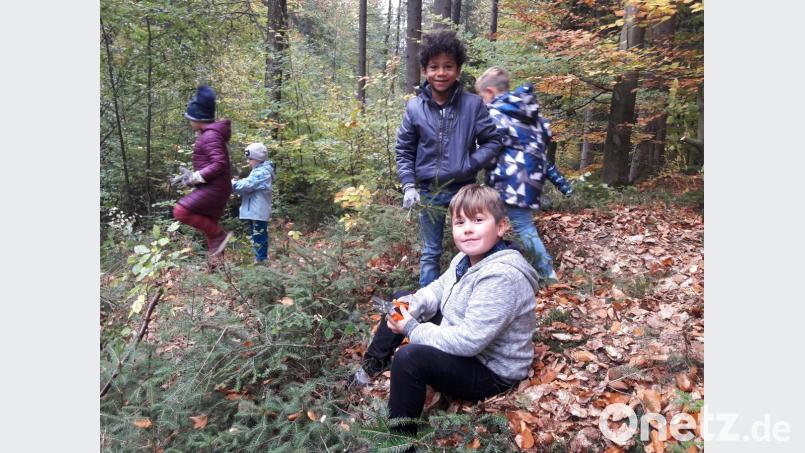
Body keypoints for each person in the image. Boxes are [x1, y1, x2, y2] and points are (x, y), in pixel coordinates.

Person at [349, 184, 538, 437]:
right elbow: (438, 289)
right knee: (400, 301)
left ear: (501, 227)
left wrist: (412, 328)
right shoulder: (464, 259)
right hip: (464, 340)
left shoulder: (502, 277)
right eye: (460, 222)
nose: (468, 229)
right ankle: (371, 367)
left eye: (478, 220)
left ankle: (399, 440)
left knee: (409, 359)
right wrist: (412, 305)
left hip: (490, 370)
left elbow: (469, 342)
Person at [395, 30, 502, 288]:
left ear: (457, 69)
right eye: (434, 67)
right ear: (424, 71)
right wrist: (409, 185)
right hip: (428, 192)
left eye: (448, 66)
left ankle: (467, 299)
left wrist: (469, 164)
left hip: (463, 191)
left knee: (470, 250)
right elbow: (404, 149)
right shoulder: (414, 108)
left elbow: (493, 141)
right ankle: (428, 306)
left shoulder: (473, 105)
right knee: (430, 251)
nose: (440, 73)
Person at [475, 67, 573, 282]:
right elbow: (541, 156)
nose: (481, 102)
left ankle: (547, 274)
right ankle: (498, 260)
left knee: (520, 225)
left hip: (509, 182)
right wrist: (563, 185)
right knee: (498, 220)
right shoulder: (530, 116)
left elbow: (484, 148)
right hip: (529, 181)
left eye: (482, 97)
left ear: (490, 92)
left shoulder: (495, 114)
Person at [171, 85, 233, 264]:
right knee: (209, 225)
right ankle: (217, 268)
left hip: (216, 187)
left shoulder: (210, 136)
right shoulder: (208, 135)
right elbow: (212, 164)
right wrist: (190, 177)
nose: (189, 121)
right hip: (215, 186)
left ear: (198, 118)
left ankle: (220, 236)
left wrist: (196, 177)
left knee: (181, 211)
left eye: (190, 118)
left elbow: (219, 163)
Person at [231, 143, 275, 264]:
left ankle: (261, 261)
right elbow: (246, 185)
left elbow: (248, 184)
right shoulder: (257, 171)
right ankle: (259, 259)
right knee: (255, 235)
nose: (248, 161)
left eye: (250, 159)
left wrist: (232, 184)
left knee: (259, 235)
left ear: (258, 159)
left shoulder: (263, 172)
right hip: (253, 211)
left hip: (258, 211)